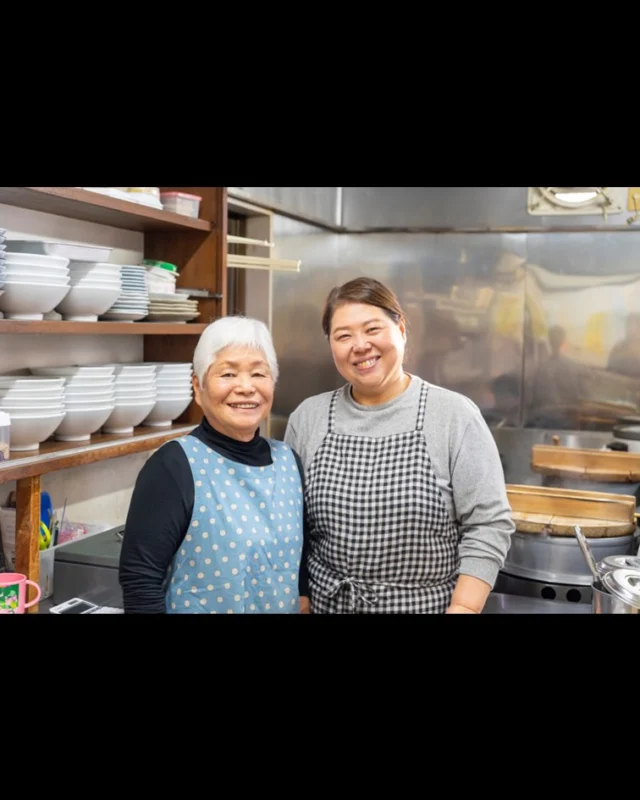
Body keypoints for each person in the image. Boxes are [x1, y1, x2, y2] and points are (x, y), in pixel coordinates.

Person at [284, 277, 514, 614]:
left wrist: (464, 607)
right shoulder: (308, 417)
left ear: (401, 328)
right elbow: (292, 525)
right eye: (343, 335)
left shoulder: (453, 414)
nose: (359, 345)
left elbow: (488, 523)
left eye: (372, 329)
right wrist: (301, 600)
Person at [119, 316, 309, 614]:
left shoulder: (288, 462)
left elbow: (298, 565)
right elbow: (140, 580)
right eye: (228, 374)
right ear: (198, 386)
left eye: (259, 374)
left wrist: (302, 596)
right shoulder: (174, 465)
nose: (246, 387)